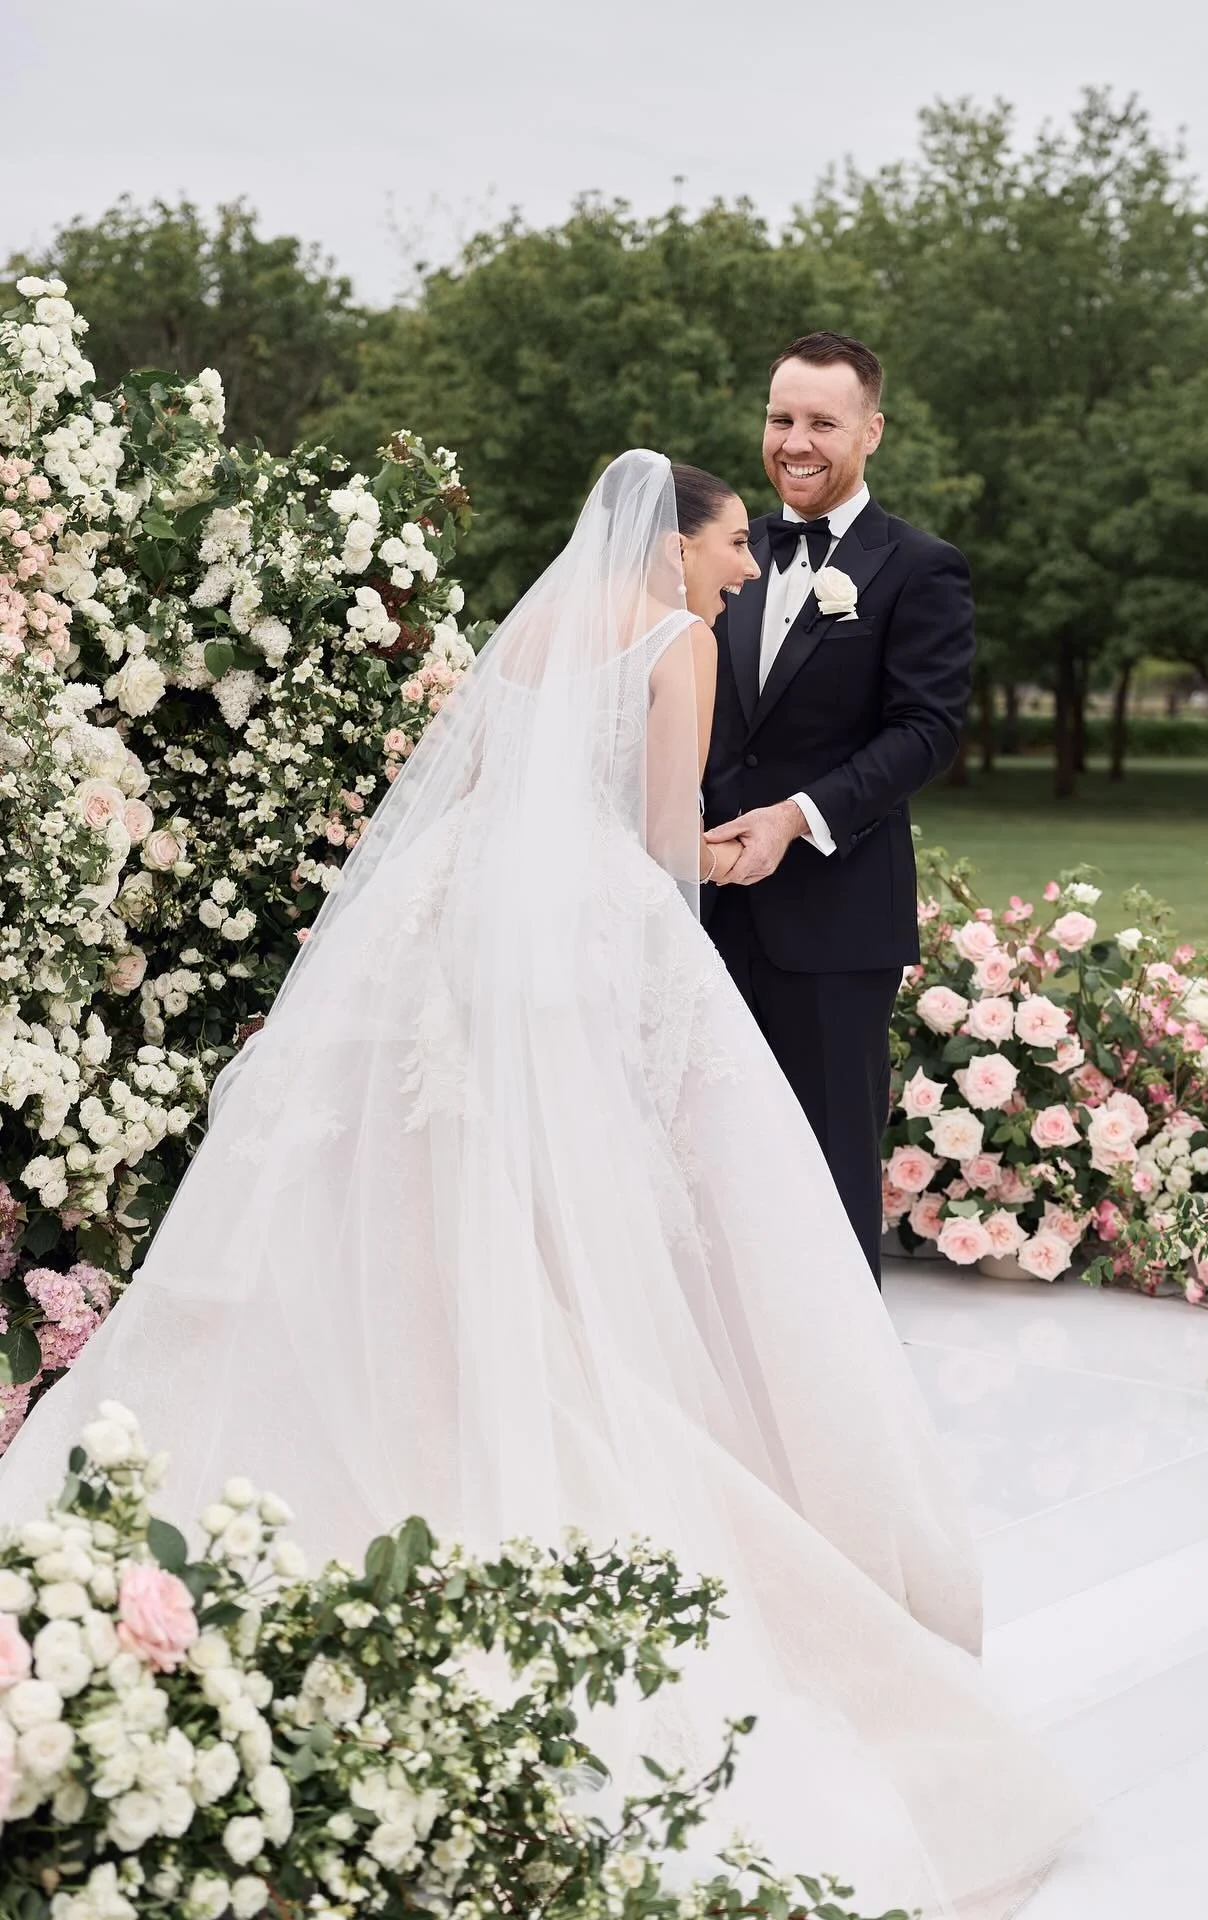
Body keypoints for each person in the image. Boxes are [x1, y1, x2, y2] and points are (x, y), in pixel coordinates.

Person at [0, 453, 1074, 1915]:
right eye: (732, 547)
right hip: (587, 940)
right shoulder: (674, 638)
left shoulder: (527, 636)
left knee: (440, 1202)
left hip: (454, 933)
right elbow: (656, 844)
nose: (746, 569)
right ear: (678, 542)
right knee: (616, 1220)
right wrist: (676, 964)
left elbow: (490, 799)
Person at [704, 333, 973, 1280]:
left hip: (831, 918)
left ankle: (834, 1402)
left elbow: (925, 730)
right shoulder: (720, 556)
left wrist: (795, 818)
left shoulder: (919, 566)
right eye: (782, 418)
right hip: (698, 910)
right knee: (700, 1157)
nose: (797, 441)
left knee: (824, 1167)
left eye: (823, 421)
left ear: (872, 431)